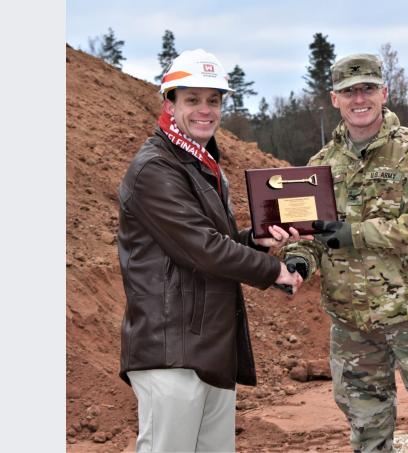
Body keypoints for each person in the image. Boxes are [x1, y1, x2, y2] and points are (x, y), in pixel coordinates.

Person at [282, 53, 408, 452]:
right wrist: (299, 260)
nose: (359, 98)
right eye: (349, 91)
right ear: (334, 99)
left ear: (383, 93)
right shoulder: (319, 165)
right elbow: (309, 233)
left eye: (368, 89)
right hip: (352, 326)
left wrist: (355, 233)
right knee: (367, 435)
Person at [116, 49, 305, 453]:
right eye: (192, 100)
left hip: (206, 349)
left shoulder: (200, 163)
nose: (205, 110)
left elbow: (203, 243)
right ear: (169, 102)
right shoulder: (156, 168)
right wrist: (273, 272)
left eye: (214, 100)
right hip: (171, 352)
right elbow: (200, 248)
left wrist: (252, 241)